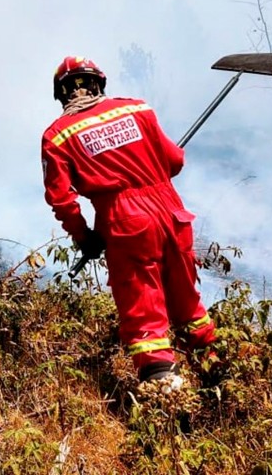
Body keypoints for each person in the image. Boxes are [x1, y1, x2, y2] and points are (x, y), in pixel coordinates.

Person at [41, 55, 218, 387]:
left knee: (144, 306)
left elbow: (61, 199)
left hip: (126, 221)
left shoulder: (58, 135)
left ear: (62, 94)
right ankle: (219, 373)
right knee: (187, 300)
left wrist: (85, 237)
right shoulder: (137, 109)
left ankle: (165, 396)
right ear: (99, 83)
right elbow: (174, 160)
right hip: (172, 212)